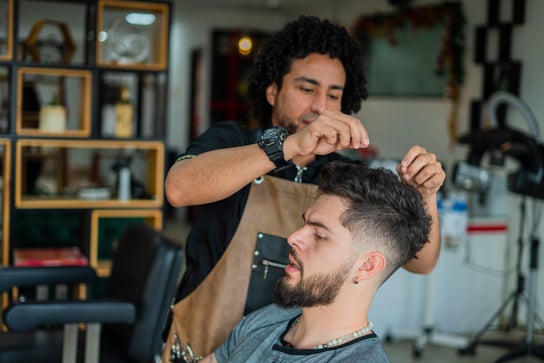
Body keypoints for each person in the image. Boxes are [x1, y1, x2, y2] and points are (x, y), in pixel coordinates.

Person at [163, 15, 444, 347]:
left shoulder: (345, 176)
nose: (320, 107)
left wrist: (425, 196)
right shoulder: (230, 140)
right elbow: (178, 189)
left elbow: (421, 263)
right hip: (202, 342)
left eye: (334, 95)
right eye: (306, 88)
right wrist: (290, 146)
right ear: (272, 91)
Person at [203, 161, 432, 362]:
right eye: (304, 224)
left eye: (320, 235)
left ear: (367, 266)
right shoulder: (267, 320)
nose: (292, 238)